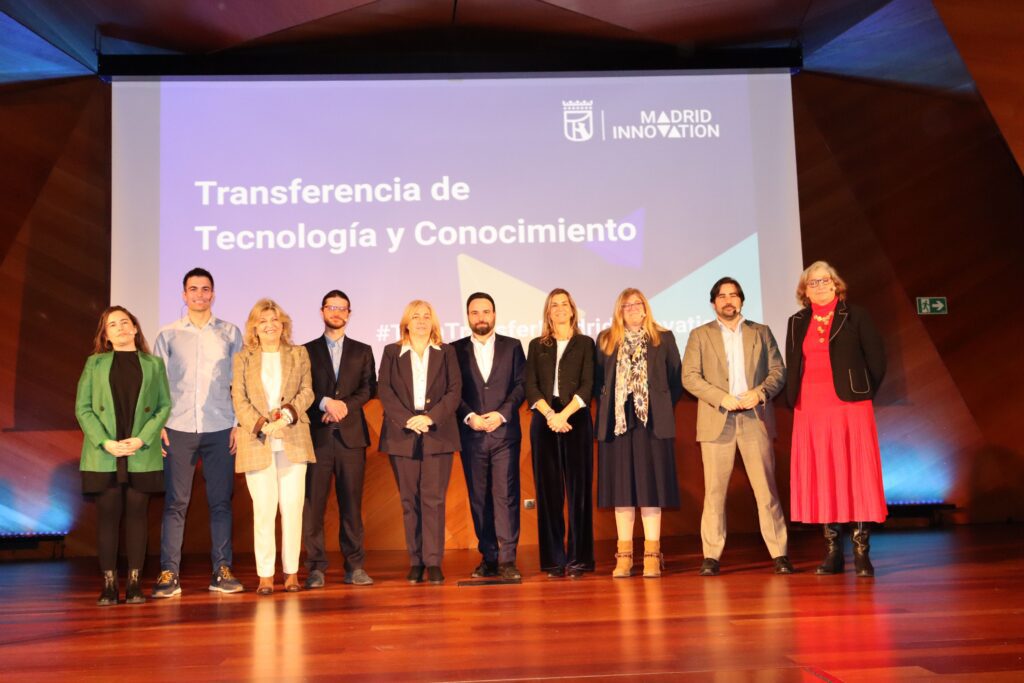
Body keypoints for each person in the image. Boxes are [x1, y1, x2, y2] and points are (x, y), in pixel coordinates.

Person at [682, 277, 792, 576]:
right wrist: (721, 398)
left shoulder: (761, 332)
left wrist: (760, 392)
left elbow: (778, 371)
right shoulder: (699, 335)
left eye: (733, 295)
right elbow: (689, 377)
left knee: (766, 491)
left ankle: (779, 553)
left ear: (741, 300)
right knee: (714, 492)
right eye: (722, 296)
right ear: (713, 302)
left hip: (755, 418)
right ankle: (711, 556)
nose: (728, 300)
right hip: (717, 419)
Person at [785, 261, 887, 578]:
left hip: (850, 407)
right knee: (823, 475)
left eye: (823, 281)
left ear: (835, 284)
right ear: (804, 290)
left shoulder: (856, 315)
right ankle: (832, 553)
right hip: (810, 408)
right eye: (811, 282)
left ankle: (861, 552)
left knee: (855, 474)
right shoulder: (797, 321)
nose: (818, 286)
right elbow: (792, 365)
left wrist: (861, 390)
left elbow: (877, 361)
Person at [153, 268, 244, 598]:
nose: (200, 295)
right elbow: (157, 385)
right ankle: (168, 573)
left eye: (206, 289)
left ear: (213, 294)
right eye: (193, 289)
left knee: (221, 502)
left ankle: (222, 570)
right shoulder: (167, 335)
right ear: (183, 294)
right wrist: (158, 424)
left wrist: (238, 423)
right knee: (176, 503)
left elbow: (240, 383)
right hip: (177, 427)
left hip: (221, 427)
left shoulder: (231, 333)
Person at [75, 306, 171, 605]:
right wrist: (105, 441)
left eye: (124, 322)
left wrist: (141, 438)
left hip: (139, 452)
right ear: (105, 334)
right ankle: (108, 585)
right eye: (112, 325)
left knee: (137, 518)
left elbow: (163, 406)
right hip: (104, 453)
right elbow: (83, 408)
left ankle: (133, 585)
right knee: (107, 518)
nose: (119, 328)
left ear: (135, 328)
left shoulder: (154, 364)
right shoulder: (94, 364)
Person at [595, 288, 682, 579]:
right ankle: (624, 556)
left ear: (646, 308)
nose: (632, 309)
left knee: (650, 488)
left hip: (652, 423)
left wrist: (654, 402)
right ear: (619, 311)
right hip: (618, 423)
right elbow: (599, 382)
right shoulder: (606, 340)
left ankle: (652, 555)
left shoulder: (663, 338)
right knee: (622, 489)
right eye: (626, 305)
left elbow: (675, 380)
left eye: (637, 304)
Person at [232, 299, 316, 595]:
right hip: (258, 440)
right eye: (263, 320)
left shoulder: (299, 353)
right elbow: (239, 399)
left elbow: (307, 391)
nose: (269, 325)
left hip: (293, 437)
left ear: (283, 325)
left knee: (292, 508)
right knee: (264, 510)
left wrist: (288, 415)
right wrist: (260, 424)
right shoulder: (243, 358)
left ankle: (291, 573)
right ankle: (266, 575)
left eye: (275, 320)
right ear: (255, 326)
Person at [378, 300, 461, 585]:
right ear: (406, 322)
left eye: (427, 316)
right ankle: (416, 561)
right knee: (408, 500)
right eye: (416, 316)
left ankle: (434, 562)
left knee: (434, 500)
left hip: (437, 433)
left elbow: (454, 391)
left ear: (434, 322)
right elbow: (385, 391)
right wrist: (408, 420)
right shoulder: (391, 352)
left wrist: (430, 418)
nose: (422, 321)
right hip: (402, 435)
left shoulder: (447, 352)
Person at [302, 290, 377, 589]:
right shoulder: (305, 351)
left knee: (351, 506)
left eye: (342, 308)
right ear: (322, 311)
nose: (337, 312)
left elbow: (368, 387)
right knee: (313, 507)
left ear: (349, 313)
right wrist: (324, 403)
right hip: (317, 438)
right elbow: (301, 390)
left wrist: (343, 406)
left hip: (351, 439)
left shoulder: (363, 350)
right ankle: (316, 568)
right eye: (331, 307)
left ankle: (355, 565)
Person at [453, 293, 527, 580]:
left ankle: (508, 559)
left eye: (486, 312)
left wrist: (501, 413)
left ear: (494, 314)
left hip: (504, 434)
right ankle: (490, 557)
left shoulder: (513, 347)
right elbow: (451, 390)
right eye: (475, 312)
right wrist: (469, 416)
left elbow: (521, 385)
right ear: (468, 317)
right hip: (471, 435)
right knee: (479, 499)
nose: (481, 317)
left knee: (506, 496)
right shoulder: (454, 350)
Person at [524, 288, 595, 578]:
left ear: (572, 310)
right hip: (544, 419)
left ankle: (579, 559)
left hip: (576, 418)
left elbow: (588, 384)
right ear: (548, 312)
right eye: (554, 305)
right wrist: (551, 415)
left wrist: (564, 415)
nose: (560, 309)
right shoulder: (536, 345)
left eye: (564, 304)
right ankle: (554, 561)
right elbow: (531, 386)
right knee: (548, 493)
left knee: (579, 494)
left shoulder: (585, 343)